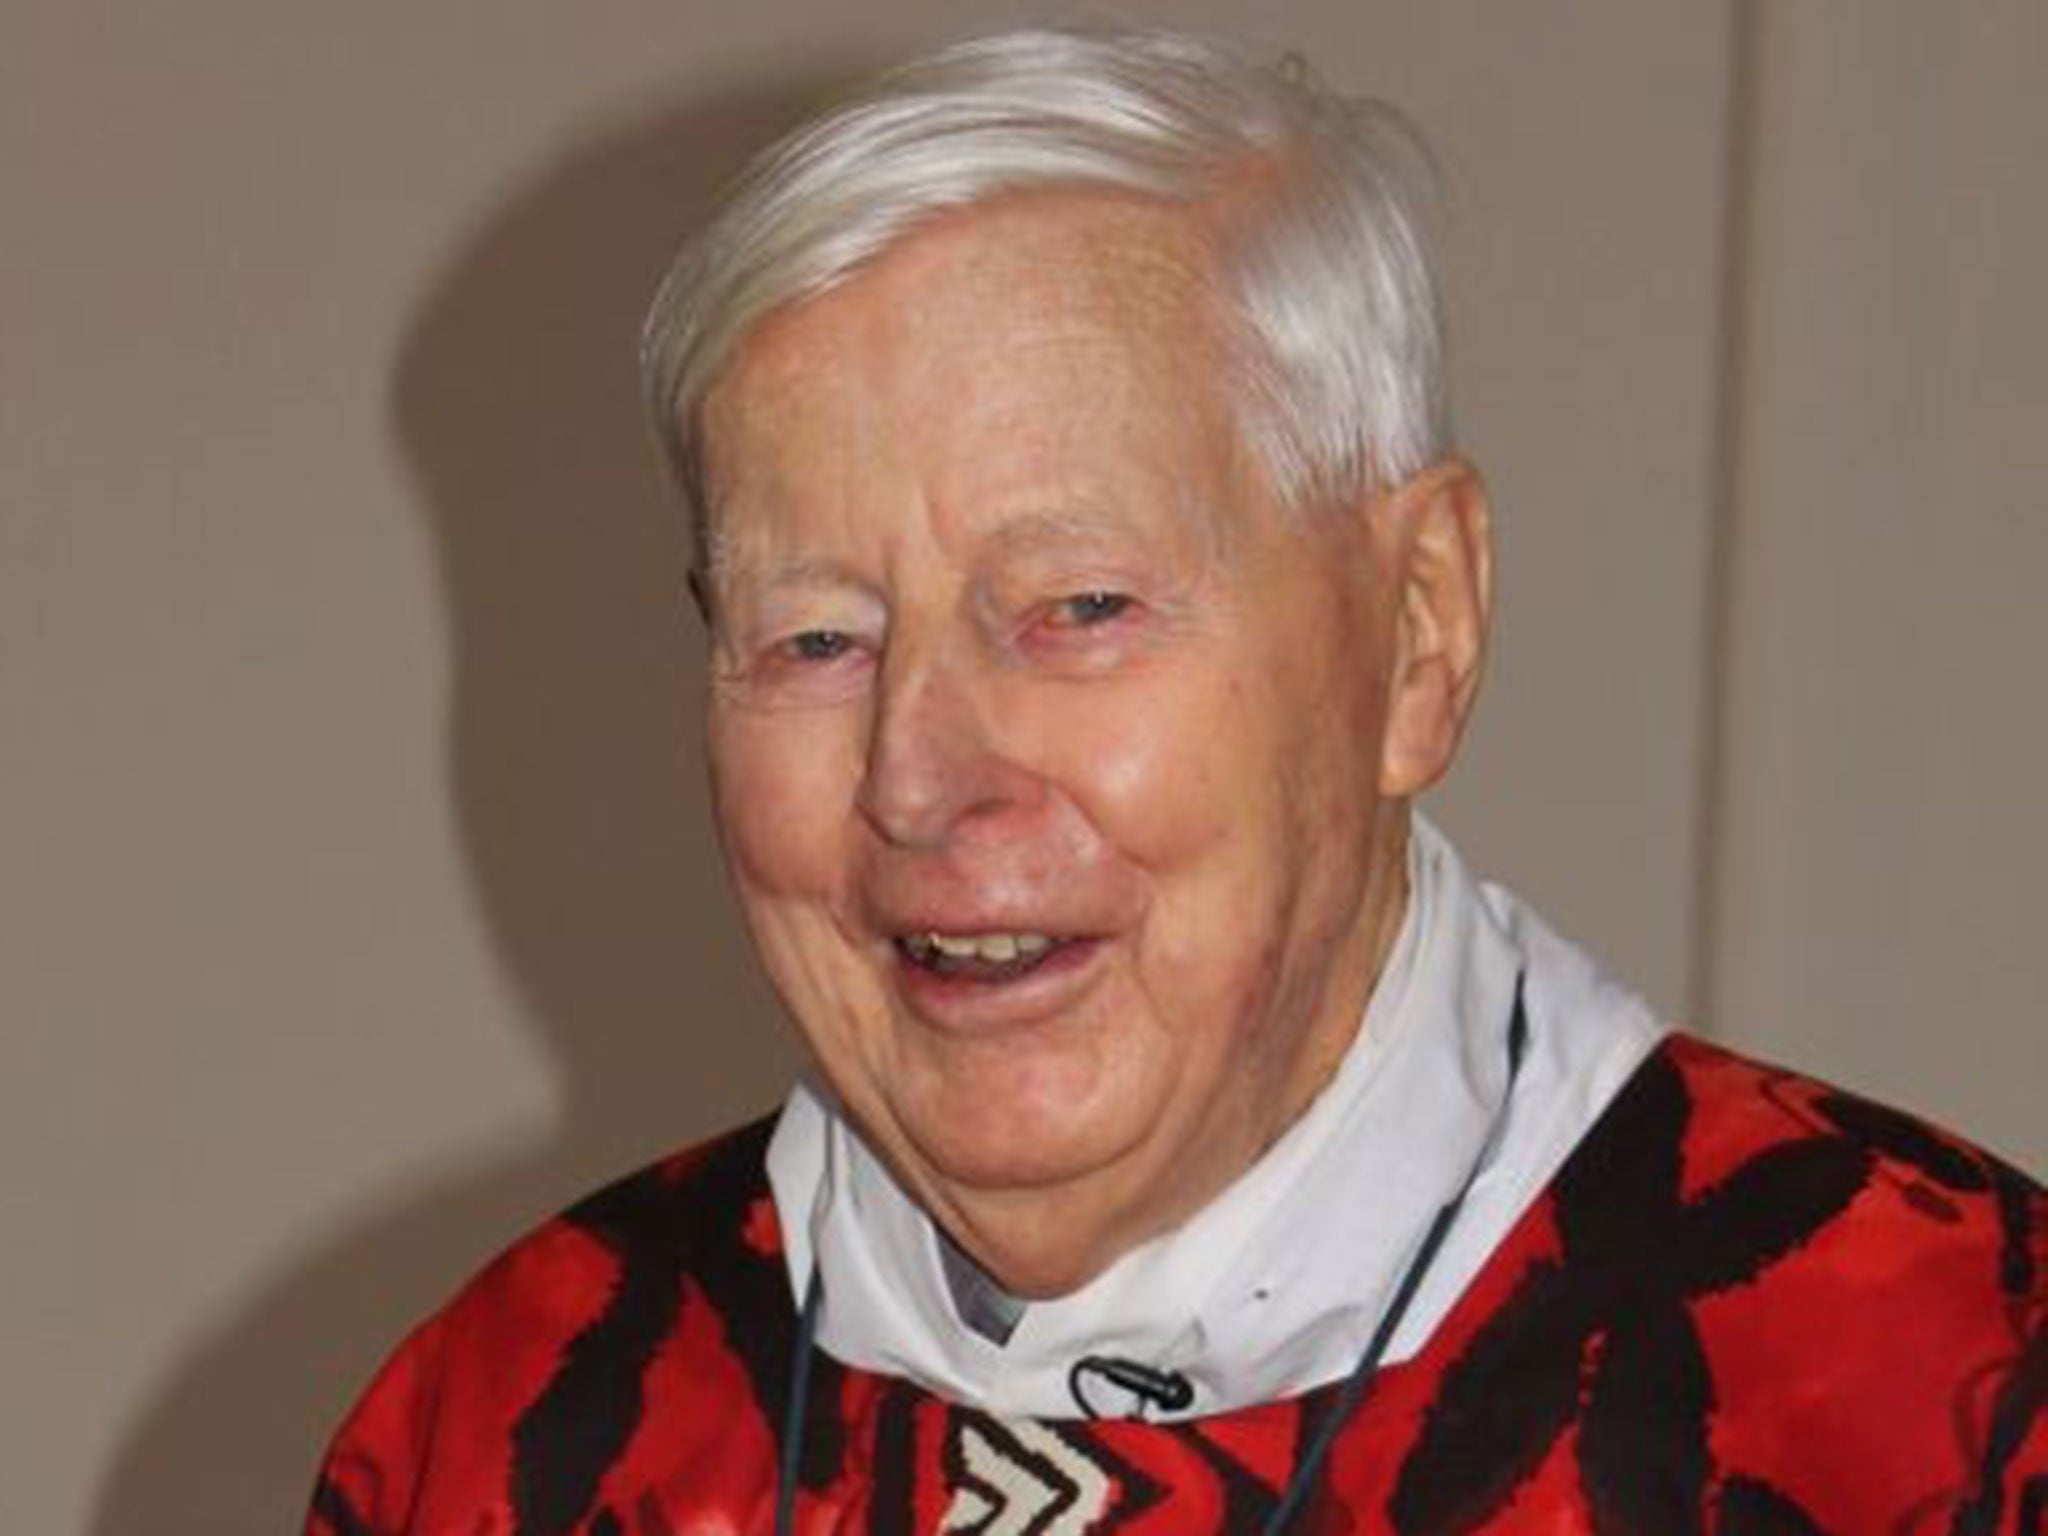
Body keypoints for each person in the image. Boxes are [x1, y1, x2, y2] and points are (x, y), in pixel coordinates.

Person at [306, 26, 2045, 1535]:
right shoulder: (505, 1428)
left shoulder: (1935, 1397)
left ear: (1418, 632)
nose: (921, 782)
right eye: (817, 640)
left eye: (1079, 608)